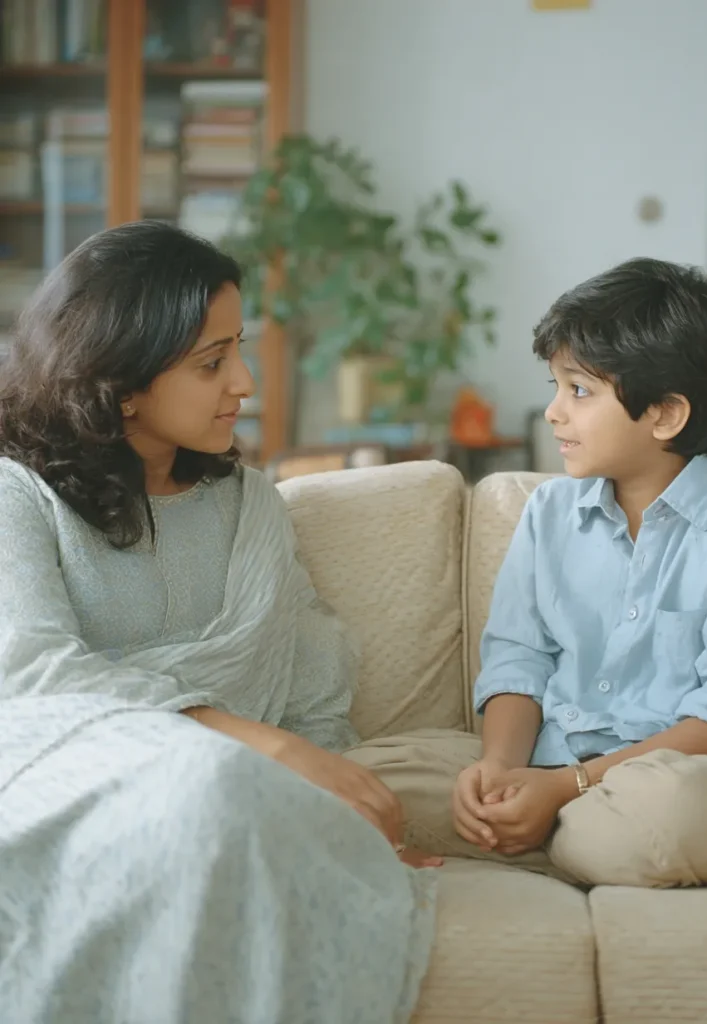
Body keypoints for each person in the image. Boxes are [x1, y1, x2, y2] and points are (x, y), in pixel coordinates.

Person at [0, 220, 439, 1024]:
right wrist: (253, 742)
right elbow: (29, 673)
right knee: (206, 779)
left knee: (219, 792)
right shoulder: (16, 494)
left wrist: (340, 805)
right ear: (121, 381)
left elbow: (310, 696)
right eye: (212, 362)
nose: (243, 381)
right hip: (62, 792)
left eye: (239, 348)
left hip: (237, 806)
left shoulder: (250, 506)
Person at [448, 257, 707, 887]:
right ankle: (533, 823)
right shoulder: (548, 513)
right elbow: (519, 660)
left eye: (579, 390)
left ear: (665, 414)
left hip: (683, 776)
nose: (553, 413)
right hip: (549, 759)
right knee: (373, 783)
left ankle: (551, 827)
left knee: (664, 818)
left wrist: (568, 788)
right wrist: (499, 769)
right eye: (555, 386)